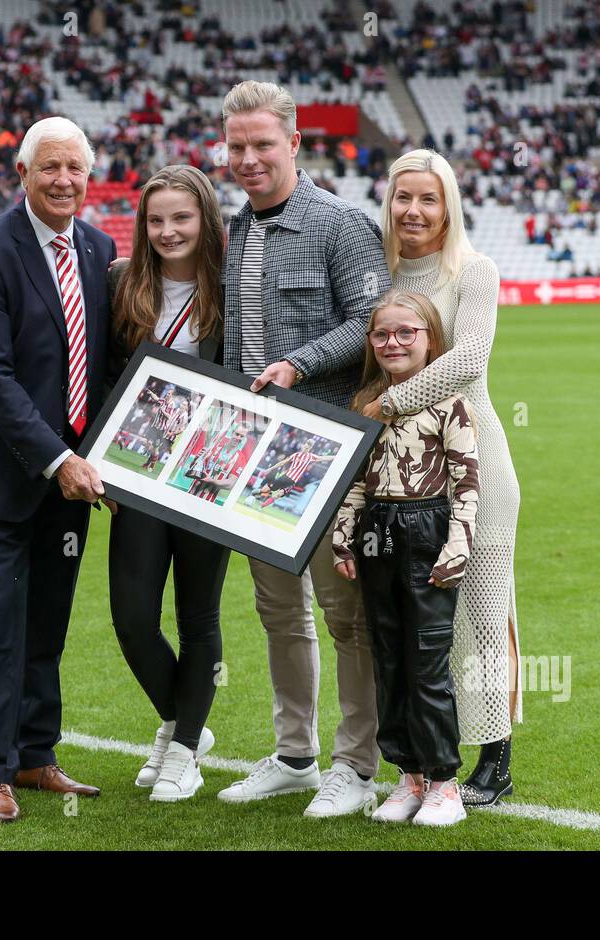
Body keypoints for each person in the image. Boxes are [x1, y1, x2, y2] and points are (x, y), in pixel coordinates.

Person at [0, 116, 117, 823]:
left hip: (73, 478)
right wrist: (56, 458)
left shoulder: (100, 249)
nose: (64, 181)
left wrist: (112, 461)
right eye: (50, 169)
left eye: (75, 169)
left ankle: (38, 757)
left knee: (49, 622)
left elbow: (104, 368)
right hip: (1, 474)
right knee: (2, 620)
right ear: (23, 175)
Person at [216, 80, 392, 817]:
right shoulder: (237, 228)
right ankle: (294, 756)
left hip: (325, 447)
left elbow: (373, 320)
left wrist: (299, 362)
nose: (250, 159)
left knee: (343, 613)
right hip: (254, 455)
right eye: (237, 147)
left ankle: (355, 766)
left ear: (293, 143)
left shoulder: (342, 225)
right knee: (277, 611)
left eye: (263, 145)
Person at [361, 149, 522, 807]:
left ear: (448, 204)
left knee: (485, 613)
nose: (414, 211)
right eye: (404, 198)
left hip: (474, 464)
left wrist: (387, 405)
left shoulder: (473, 272)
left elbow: (469, 360)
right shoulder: (380, 271)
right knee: (423, 624)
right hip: (399, 477)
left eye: (428, 199)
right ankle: (427, 762)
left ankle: (496, 760)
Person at [333, 289, 480, 826]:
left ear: (430, 339)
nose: (392, 342)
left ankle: (444, 782)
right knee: (389, 658)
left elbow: (467, 483)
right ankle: (408, 775)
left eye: (406, 332)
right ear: (370, 343)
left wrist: (457, 543)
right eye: (381, 334)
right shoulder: (365, 402)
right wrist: (344, 535)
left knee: (426, 661)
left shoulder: (448, 402)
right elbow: (354, 481)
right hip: (379, 531)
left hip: (427, 528)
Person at [106, 164, 230, 802]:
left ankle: (182, 750)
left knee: (198, 616)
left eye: (180, 218)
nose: (167, 231)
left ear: (205, 220)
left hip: (212, 476)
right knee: (130, 616)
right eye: (155, 220)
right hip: (139, 474)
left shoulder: (236, 289)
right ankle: (187, 721)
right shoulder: (122, 286)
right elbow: (102, 376)